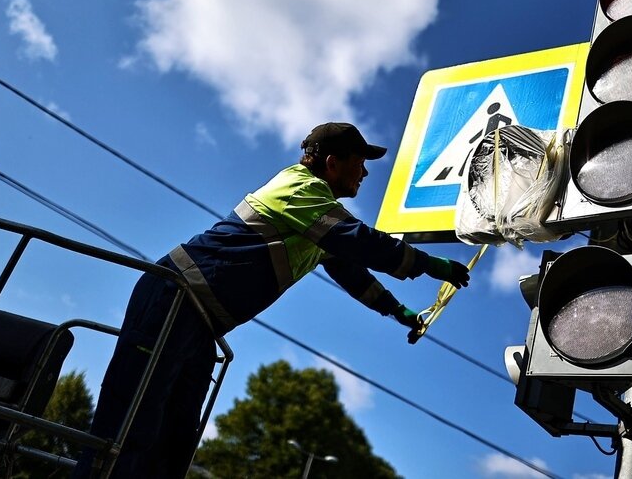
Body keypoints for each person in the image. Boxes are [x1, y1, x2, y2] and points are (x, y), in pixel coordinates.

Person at [73, 122, 470, 478]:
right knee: (130, 429)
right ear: (332, 163)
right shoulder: (300, 189)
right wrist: (432, 264)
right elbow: (359, 242)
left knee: (172, 445)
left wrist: (398, 311)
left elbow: (351, 269)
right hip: (173, 300)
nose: (365, 172)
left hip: (197, 320)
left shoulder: (318, 217)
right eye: (360, 161)